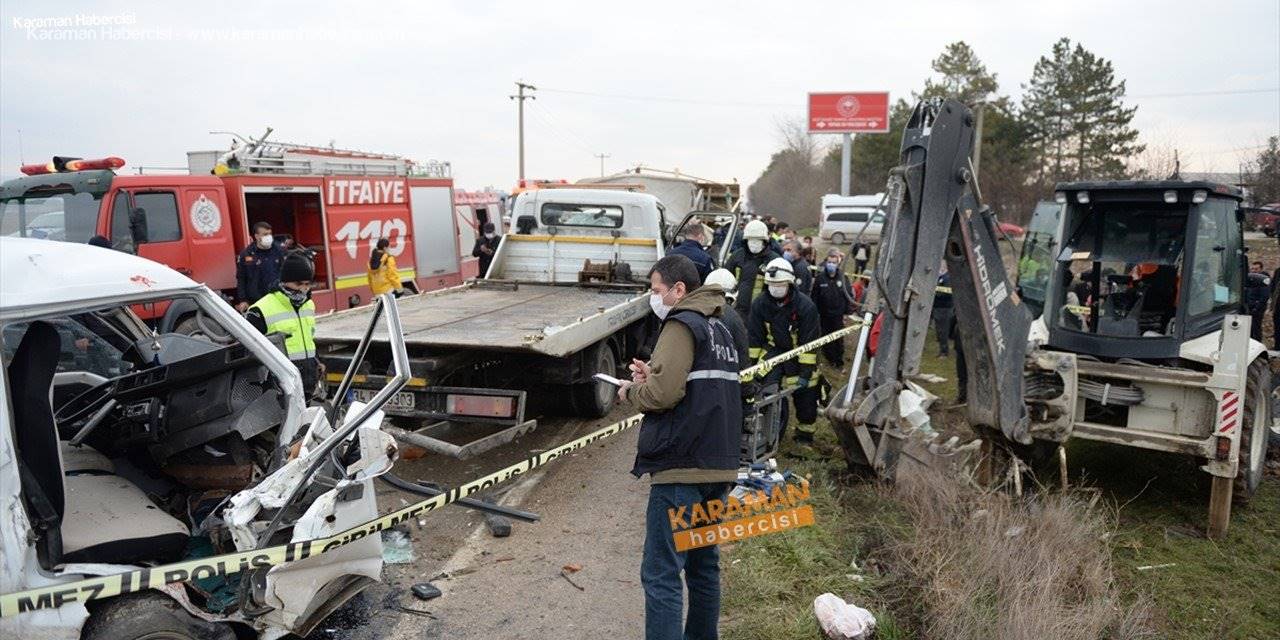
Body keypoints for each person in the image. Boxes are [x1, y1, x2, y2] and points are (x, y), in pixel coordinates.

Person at [618, 255, 741, 640]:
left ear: (679, 290)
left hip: (681, 470)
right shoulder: (719, 327)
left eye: (656, 290)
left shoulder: (680, 323)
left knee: (662, 574)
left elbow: (663, 394)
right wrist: (651, 374)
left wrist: (632, 391)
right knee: (704, 568)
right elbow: (696, 385)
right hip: (717, 467)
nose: (653, 297)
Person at [748, 258, 821, 443]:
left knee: (806, 396)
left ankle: (804, 435)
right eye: (771, 285)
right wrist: (752, 367)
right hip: (773, 353)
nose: (775, 288)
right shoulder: (760, 304)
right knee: (767, 391)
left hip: (799, 355)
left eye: (779, 284)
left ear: (789, 283)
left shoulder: (805, 307)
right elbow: (755, 338)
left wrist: (805, 372)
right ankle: (768, 431)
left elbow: (809, 343)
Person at [246, 252, 322, 397]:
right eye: (298, 284)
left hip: (307, 381)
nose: (303, 289)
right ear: (284, 281)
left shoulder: (308, 305)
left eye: (307, 284)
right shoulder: (260, 309)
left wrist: (318, 361)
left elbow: (308, 337)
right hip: (280, 385)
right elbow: (250, 353)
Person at [725, 219, 781, 320]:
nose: (754, 244)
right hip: (737, 310)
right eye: (751, 240)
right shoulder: (737, 256)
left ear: (764, 241)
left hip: (762, 313)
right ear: (746, 241)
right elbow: (726, 278)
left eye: (757, 241)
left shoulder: (774, 260)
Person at [810, 249, 857, 367]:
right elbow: (814, 296)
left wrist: (847, 312)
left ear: (837, 264)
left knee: (838, 338)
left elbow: (848, 295)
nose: (831, 264)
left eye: (834, 262)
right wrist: (815, 312)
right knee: (826, 336)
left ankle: (838, 359)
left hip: (838, 315)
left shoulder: (842, 277)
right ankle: (829, 357)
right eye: (829, 262)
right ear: (826, 262)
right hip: (824, 315)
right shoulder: (820, 278)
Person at [235, 222, 285, 313]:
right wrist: (243, 300)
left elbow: (287, 273)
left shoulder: (279, 251)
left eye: (270, 234)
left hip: (278, 298)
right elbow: (241, 278)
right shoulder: (247, 254)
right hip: (257, 301)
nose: (269, 237)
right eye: (265, 234)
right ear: (257, 236)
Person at [932, 265, 954, 357]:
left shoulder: (948, 278)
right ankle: (942, 350)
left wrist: (934, 292)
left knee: (943, 330)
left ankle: (944, 352)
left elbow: (948, 292)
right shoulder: (940, 277)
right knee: (939, 330)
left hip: (945, 308)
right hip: (938, 307)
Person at [1245, 261, 1269, 341]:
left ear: (1261, 269)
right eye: (1252, 269)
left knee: (1256, 328)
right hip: (1249, 307)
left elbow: (1264, 296)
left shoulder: (1264, 280)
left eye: (1256, 269)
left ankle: (1257, 343)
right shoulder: (1250, 279)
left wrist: (1256, 308)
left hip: (1257, 309)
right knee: (1249, 329)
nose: (1254, 271)